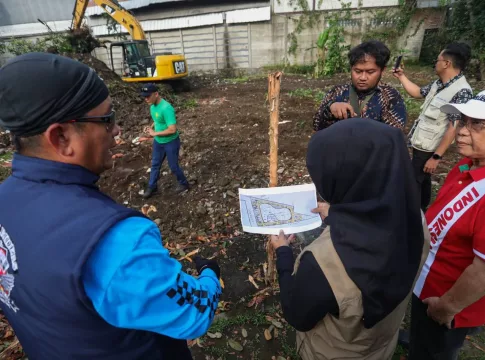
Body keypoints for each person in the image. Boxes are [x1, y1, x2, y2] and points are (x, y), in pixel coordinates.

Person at [0, 53, 221, 359]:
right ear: (61, 137)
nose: (117, 130)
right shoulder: (114, 243)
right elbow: (196, 313)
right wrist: (210, 274)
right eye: (107, 120)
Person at [270, 118, 429, 359]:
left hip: (334, 351)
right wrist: (336, 214)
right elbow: (375, 229)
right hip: (380, 344)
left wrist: (283, 254)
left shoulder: (324, 264)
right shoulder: (415, 219)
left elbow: (297, 315)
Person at [408, 91, 485, 360]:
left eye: (477, 125)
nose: (462, 132)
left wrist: (446, 307)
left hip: (447, 302)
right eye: (463, 121)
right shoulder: (466, 166)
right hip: (428, 283)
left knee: (436, 350)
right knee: (422, 341)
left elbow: (482, 270)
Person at [393, 42, 473, 211]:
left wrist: (436, 157)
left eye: (438, 60)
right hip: (422, 141)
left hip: (430, 148)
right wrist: (401, 76)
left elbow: (454, 127)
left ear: (446, 63)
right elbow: (418, 92)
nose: (435, 63)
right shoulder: (439, 84)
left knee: (414, 180)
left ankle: (412, 212)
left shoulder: (461, 91)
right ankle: (422, 209)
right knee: (423, 178)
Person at [313, 40, 407, 131]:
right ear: (351, 68)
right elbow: (316, 125)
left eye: (370, 72)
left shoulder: (391, 97)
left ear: (382, 71)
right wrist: (330, 109)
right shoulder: (337, 92)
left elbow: (393, 135)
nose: (363, 77)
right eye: (357, 71)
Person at [140, 83, 190, 198]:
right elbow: (158, 119)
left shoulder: (167, 108)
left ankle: (184, 184)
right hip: (159, 142)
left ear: (156, 94)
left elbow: (172, 129)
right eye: (144, 96)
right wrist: (151, 127)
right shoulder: (152, 106)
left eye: (148, 96)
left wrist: (154, 133)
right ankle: (152, 187)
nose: (145, 99)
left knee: (173, 166)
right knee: (155, 164)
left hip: (170, 142)